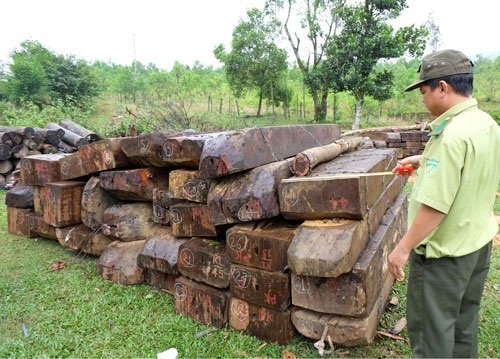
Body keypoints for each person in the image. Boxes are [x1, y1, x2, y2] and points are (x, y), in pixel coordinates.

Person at [387, 49, 500, 358]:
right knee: (464, 325)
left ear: (442, 87)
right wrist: (425, 159)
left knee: (431, 338)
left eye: (424, 91)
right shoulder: (486, 123)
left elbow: (436, 208)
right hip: (475, 246)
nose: (423, 100)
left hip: (444, 259)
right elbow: (470, 164)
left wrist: (403, 248)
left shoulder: (449, 138)